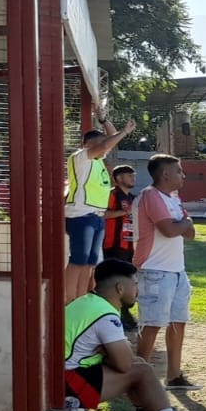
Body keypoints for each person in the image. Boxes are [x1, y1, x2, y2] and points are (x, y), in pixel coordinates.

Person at [64, 259, 206, 411]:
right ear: (120, 288)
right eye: (135, 284)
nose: (138, 289)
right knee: (141, 370)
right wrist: (115, 355)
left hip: (62, 376)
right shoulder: (105, 315)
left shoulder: (87, 302)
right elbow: (125, 365)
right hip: (67, 385)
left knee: (139, 363)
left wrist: (112, 354)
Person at [134, 154, 201, 391]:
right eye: (179, 171)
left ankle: (174, 376)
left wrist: (184, 226)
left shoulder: (173, 198)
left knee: (177, 323)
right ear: (165, 174)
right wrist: (186, 224)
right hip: (155, 271)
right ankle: (138, 378)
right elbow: (170, 230)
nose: (183, 175)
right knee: (152, 324)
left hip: (176, 271)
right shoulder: (150, 196)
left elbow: (189, 233)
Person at [64, 120, 136, 303]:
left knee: (90, 262)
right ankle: (69, 300)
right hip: (81, 213)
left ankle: (81, 297)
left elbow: (109, 141)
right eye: (98, 145)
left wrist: (105, 121)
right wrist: (125, 132)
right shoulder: (80, 157)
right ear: (87, 144)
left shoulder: (98, 161)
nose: (103, 149)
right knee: (78, 259)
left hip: (96, 216)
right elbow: (106, 143)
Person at [102, 165, 139, 329]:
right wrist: (125, 213)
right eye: (129, 175)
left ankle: (124, 313)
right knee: (116, 282)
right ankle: (119, 315)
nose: (133, 177)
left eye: (133, 175)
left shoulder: (132, 198)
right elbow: (103, 213)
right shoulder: (111, 194)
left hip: (129, 246)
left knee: (128, 281)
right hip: (113, 245)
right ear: (118, 178)